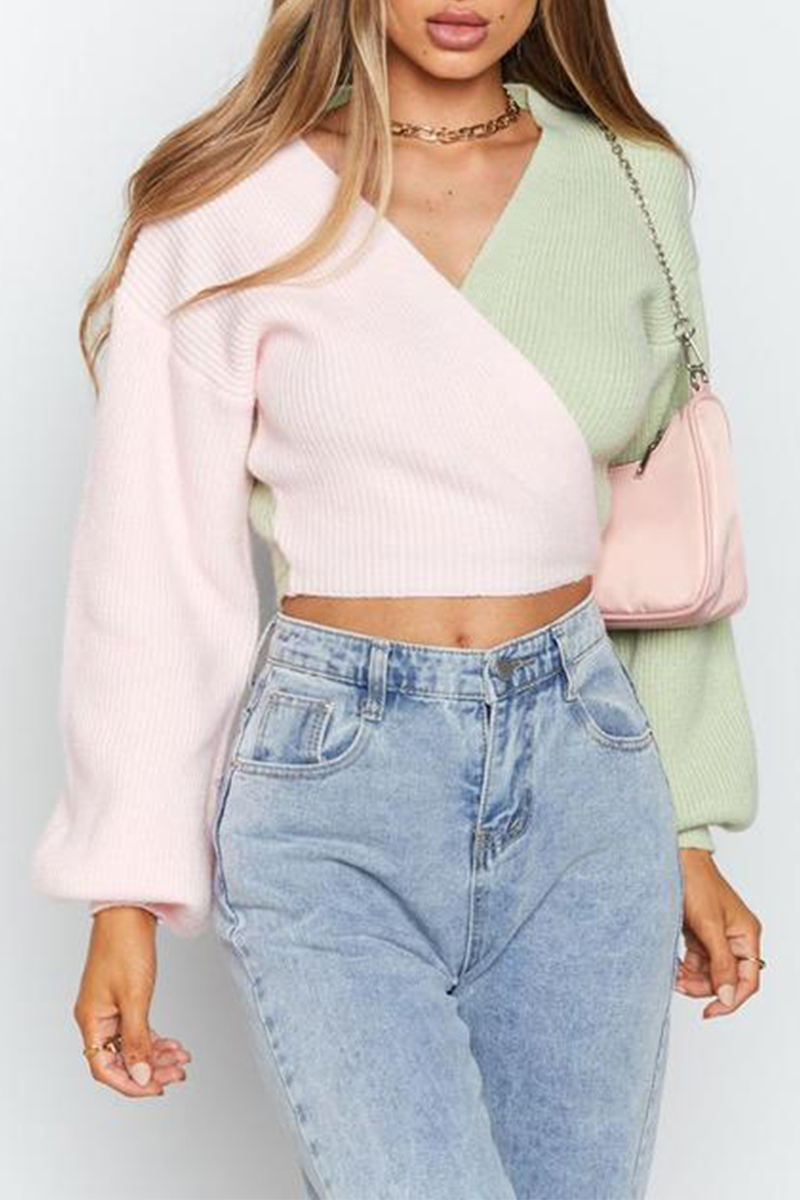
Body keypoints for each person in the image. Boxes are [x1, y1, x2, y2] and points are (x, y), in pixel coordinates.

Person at [31, 1, 764, 1196]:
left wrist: (686, 829)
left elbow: (666, 528)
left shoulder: (631, 181)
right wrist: (126, 890)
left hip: (585, 775)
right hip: (335, 787)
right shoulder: (227, 202)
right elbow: (150, 557)